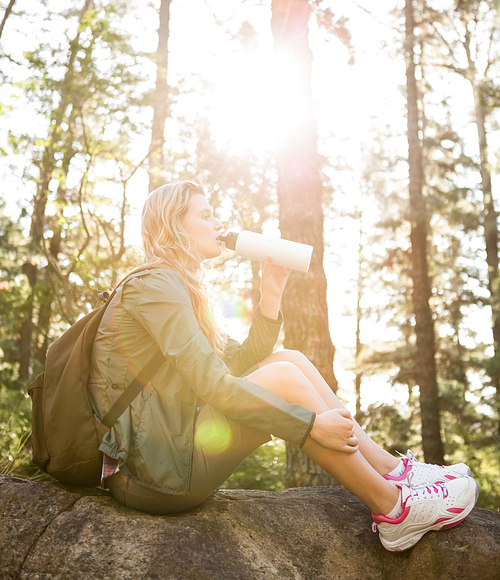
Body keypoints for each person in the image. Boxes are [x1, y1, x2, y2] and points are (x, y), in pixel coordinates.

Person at [89, 181, 478, 552]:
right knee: (283, 376)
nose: (218, 224)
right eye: (205, 216)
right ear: (174, 224)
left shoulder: (172, 285)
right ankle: (396, 509)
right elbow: (214, 386)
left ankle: (396, 473)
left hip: (164, 452)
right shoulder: (156, 286)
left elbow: (239, 362)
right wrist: (308, 425)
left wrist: (270, 294)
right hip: (148, 474)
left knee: (289, 360)